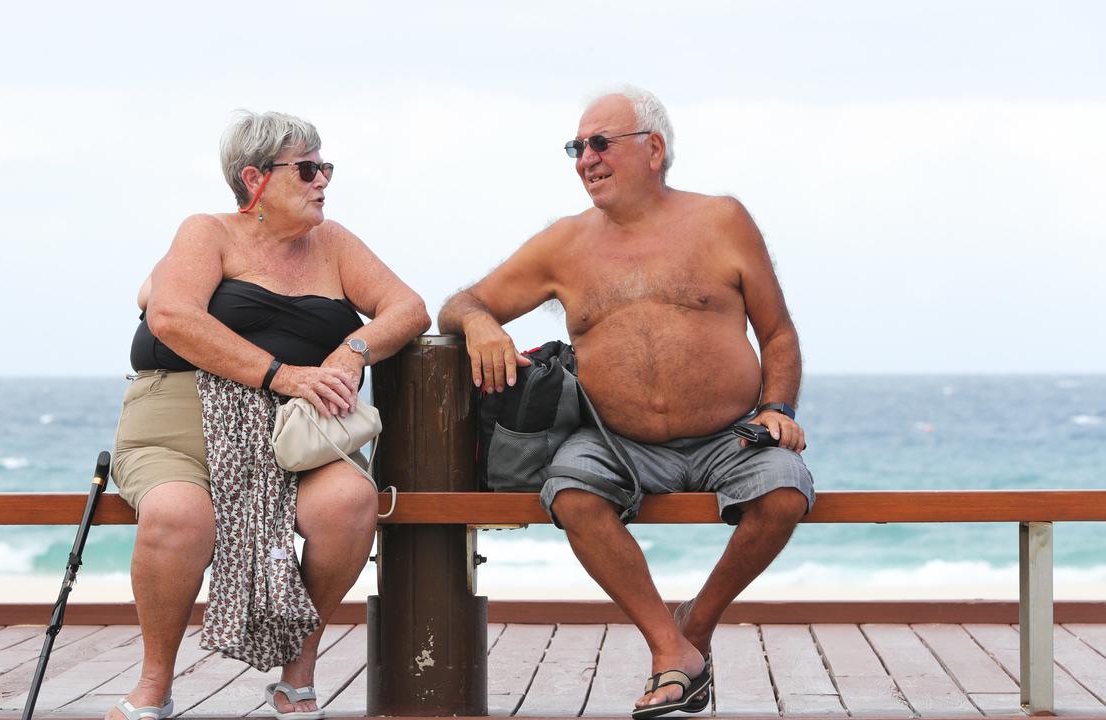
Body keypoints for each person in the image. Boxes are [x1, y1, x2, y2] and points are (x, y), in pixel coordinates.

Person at [438, 87, 813, 718]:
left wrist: (779, 409)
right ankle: (669, 647)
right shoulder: (563, 243)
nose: (585, 159)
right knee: (573, 495)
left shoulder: (722, 220)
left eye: (600, 143)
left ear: (655, 149)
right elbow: (461, 304)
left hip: (730, 434)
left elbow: (777, 332)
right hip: (616, 442)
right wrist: (481, 327)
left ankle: (692, 629)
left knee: (784, 492)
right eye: (576, 148)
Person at [109, 110, 430, 720]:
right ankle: (154, 683)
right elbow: (172, 317)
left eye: (324, 167)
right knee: (179, 516)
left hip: (298, 435)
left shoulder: (333, 244)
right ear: (254, 179)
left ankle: (299, 670)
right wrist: (281, 374)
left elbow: (408, 308)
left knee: (348, 503)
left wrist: (351, 350)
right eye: (307, 168)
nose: (322, 181)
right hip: (179, 425)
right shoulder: (208, 232)